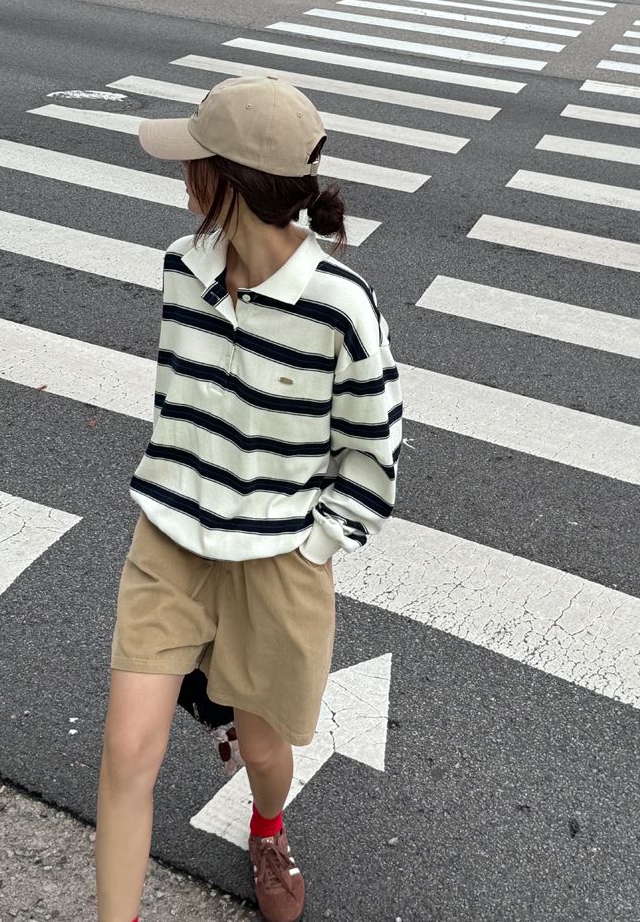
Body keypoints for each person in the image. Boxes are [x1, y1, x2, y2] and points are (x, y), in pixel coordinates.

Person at [94, 74, 403, 922]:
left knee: (265, 753)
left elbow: (374, 450)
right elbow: (177, 406)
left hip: (275, 559)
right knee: (126, 752)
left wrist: (314, 543)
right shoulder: (181, 267)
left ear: (226, 181)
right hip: (169, 542)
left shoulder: (341, 307)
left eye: (195, 159)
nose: (182, 172)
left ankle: (267, 825)